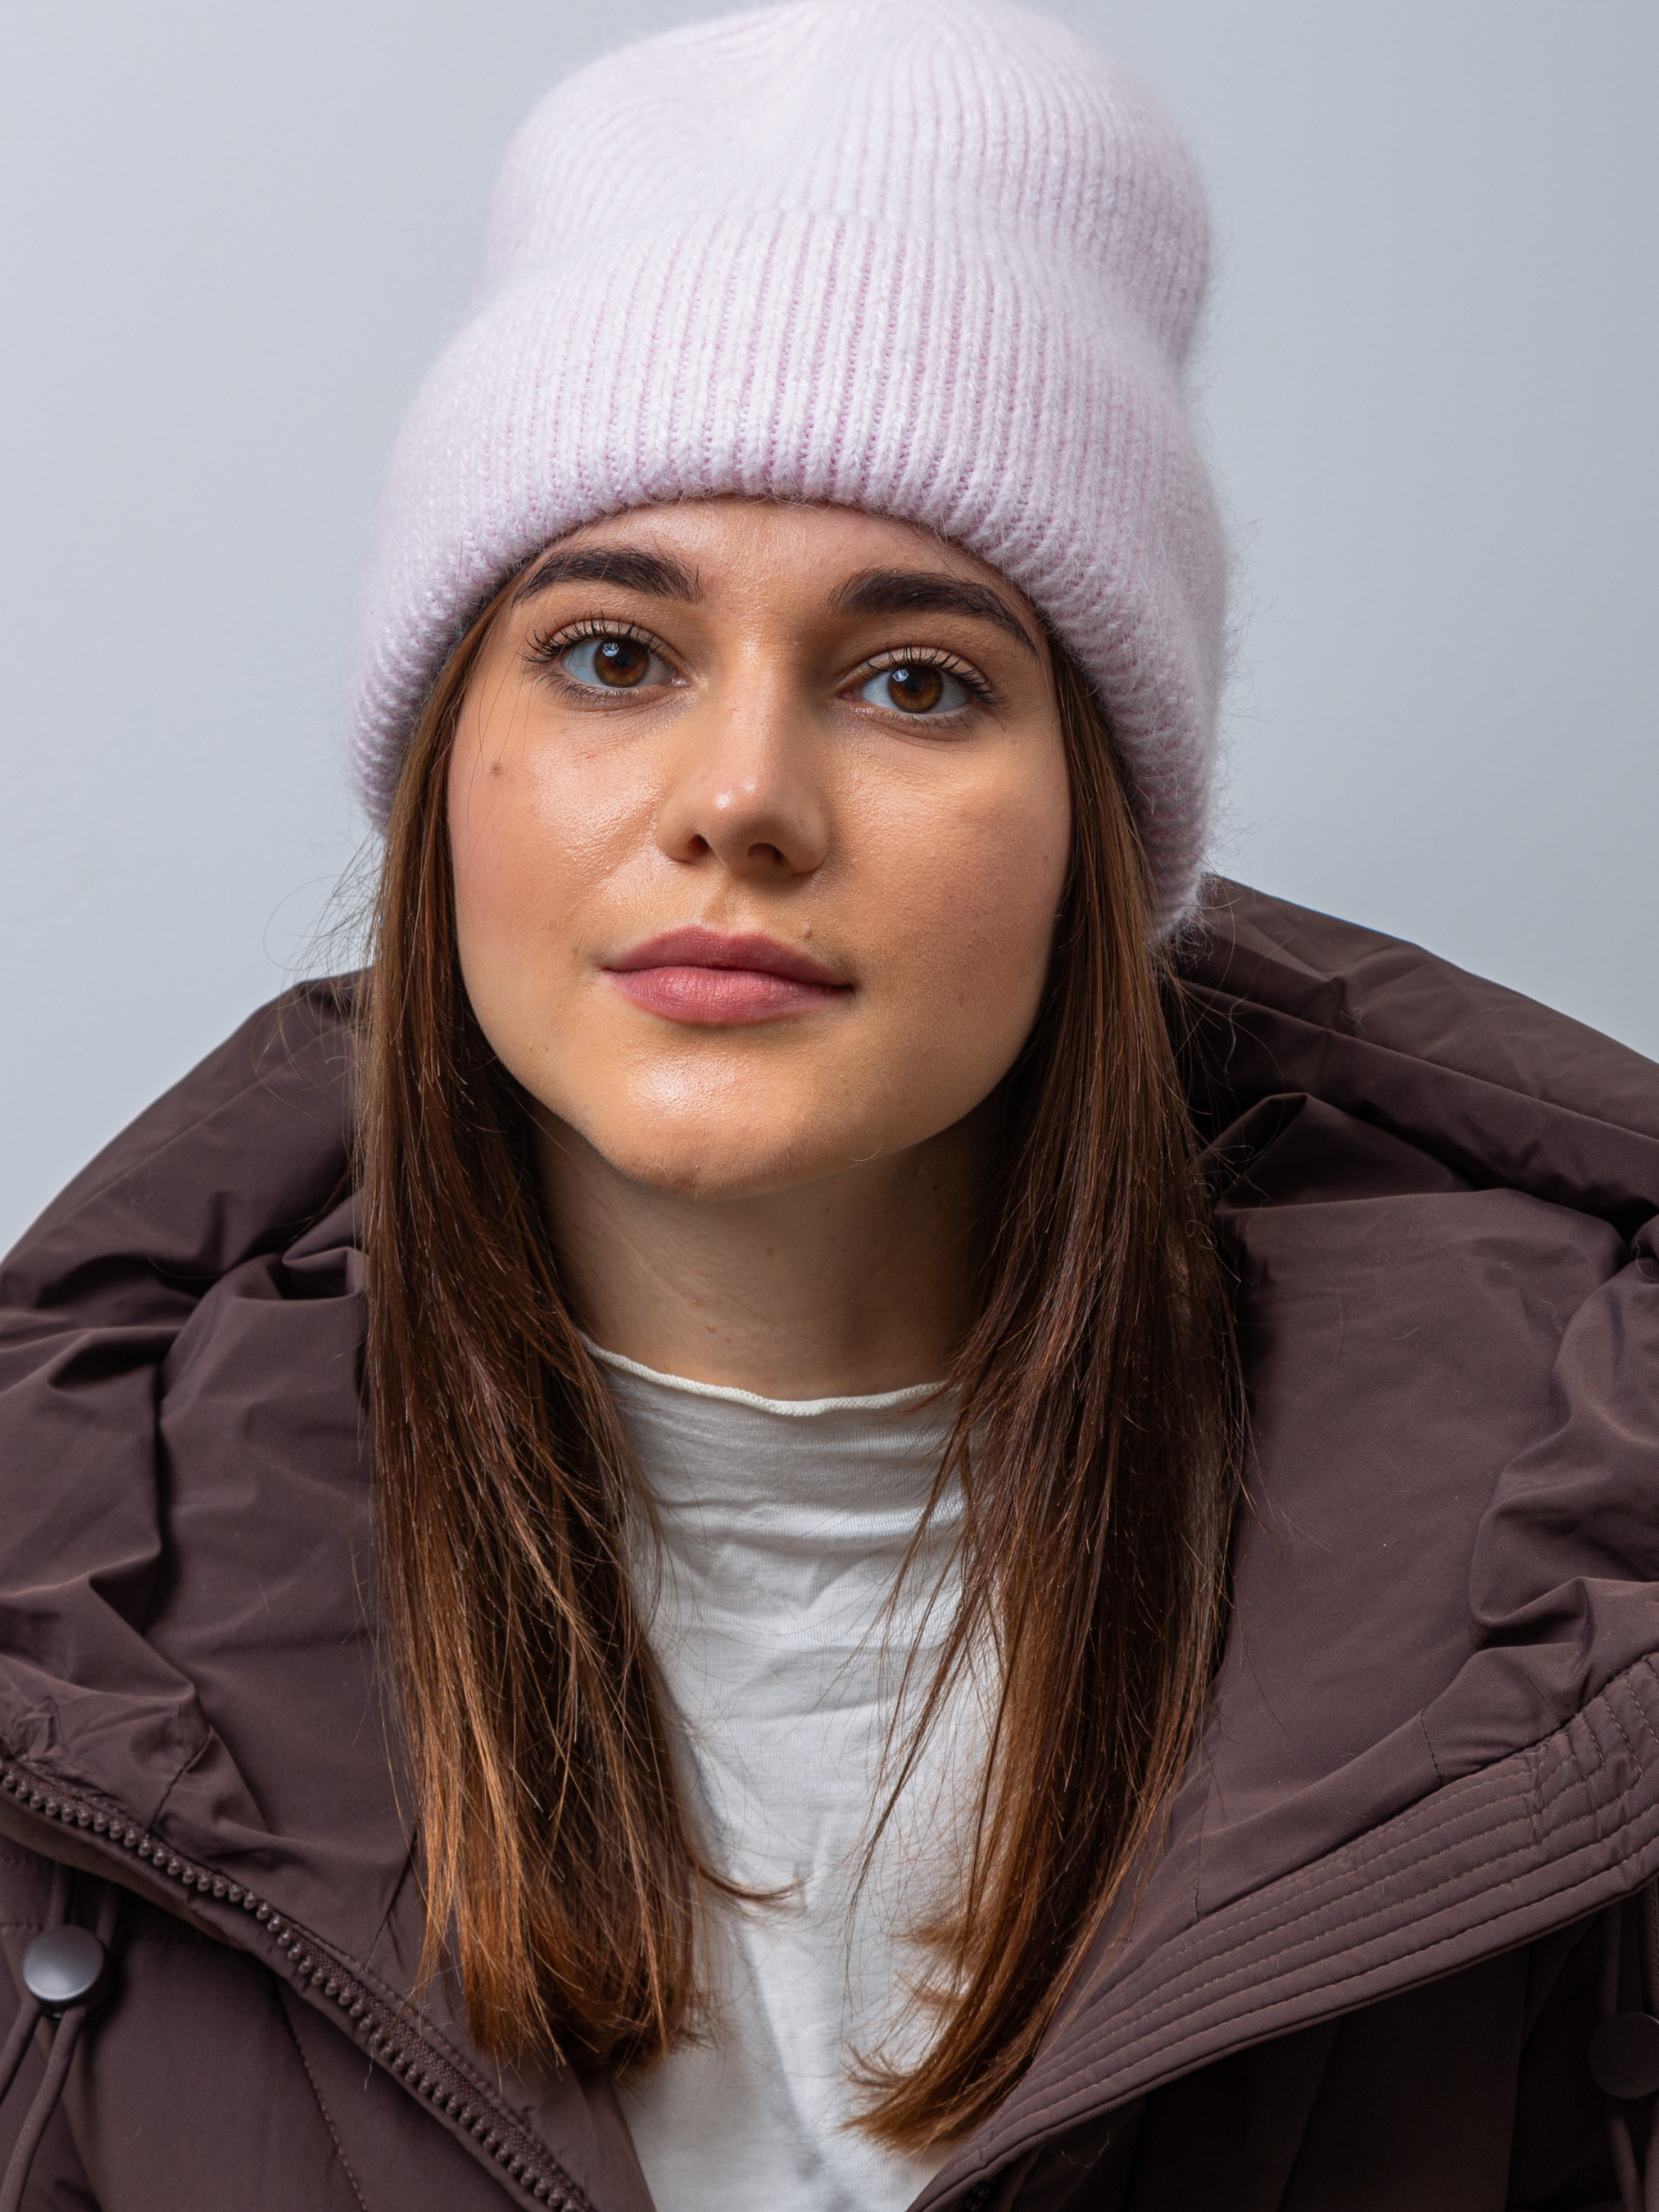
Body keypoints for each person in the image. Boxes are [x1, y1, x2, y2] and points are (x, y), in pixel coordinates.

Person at [1, 2, 1656, 2206]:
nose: (744, 800)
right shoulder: (73, 1601)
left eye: (913, 680)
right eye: (614, 652)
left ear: (1091, 828)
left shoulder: (1578, 1573)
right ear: (446, 770)